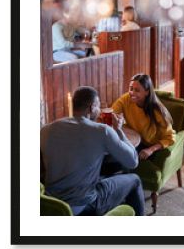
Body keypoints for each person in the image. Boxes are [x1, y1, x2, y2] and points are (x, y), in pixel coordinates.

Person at [40, 86, 145, 216]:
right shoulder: (102, 131)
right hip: (83, 206)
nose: (100, 111)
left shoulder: (45, 130)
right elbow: (133, 161)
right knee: (134, 180)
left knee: (104, 174)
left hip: (51, 205)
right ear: (91, 108)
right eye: (98, 106)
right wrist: (119, 130)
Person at [112, 74, 175, 160]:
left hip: (149, 146)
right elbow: (112, 112)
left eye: (137, 90)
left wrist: (150, 150)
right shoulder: (126, 99)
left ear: (147, 92)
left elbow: (170, 137)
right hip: (133, 140)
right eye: (131, 88)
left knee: (119, 158)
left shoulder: (157, 111)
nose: (132, 93)